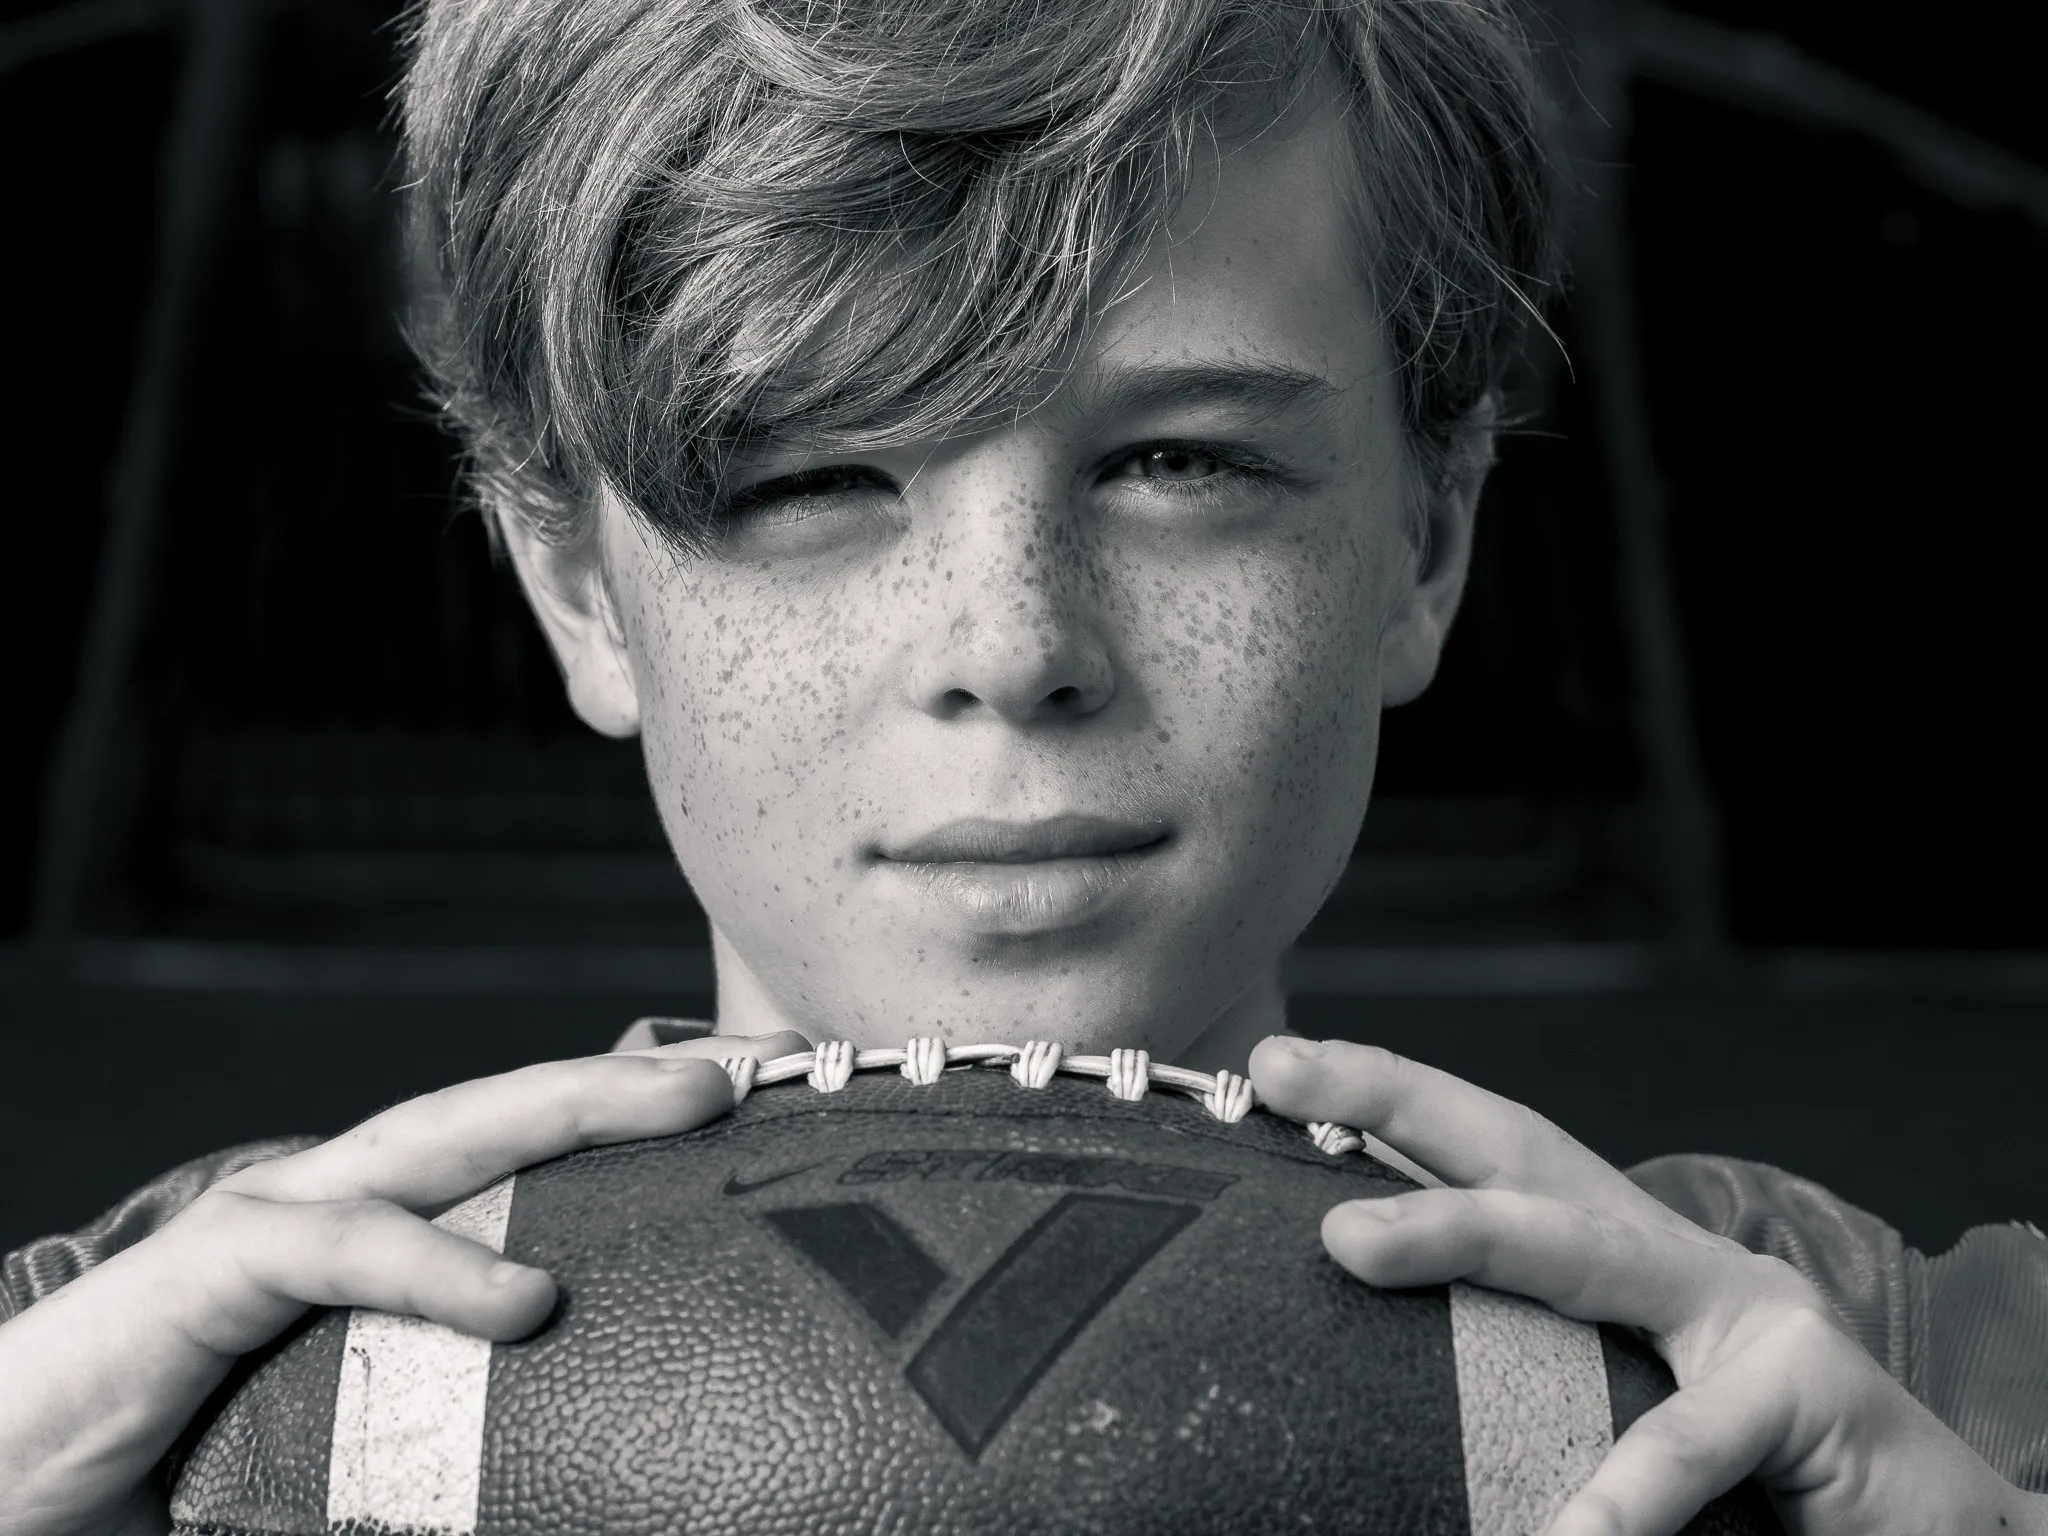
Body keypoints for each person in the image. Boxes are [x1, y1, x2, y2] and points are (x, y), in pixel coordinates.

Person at [2, 0, 2042, 1530]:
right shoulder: (147, 1358)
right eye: (810, 478)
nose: (1013, 651)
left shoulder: (1906, 1362)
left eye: (1184, 464)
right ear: (575, 588)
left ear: (1427, 536)